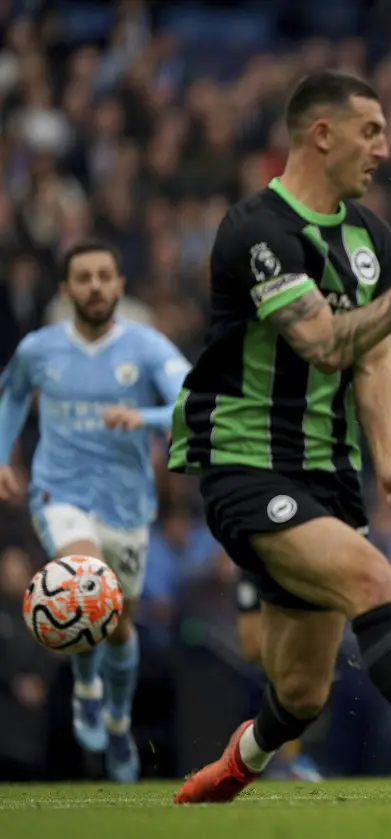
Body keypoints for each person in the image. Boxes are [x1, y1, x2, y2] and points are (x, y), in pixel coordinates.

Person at [167, 70, 391, 804]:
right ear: (321, 133)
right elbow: (326, 345)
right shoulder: (257, 230)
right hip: (247, 463)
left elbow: (374, 354)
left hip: (328, 472)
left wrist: (387, 457)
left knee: (301, 691)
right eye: (371, 130)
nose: (384, 147)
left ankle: (233, 767)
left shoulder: (368, 235)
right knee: (373, 576)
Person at [0, 239, 191, 783]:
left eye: (104, 275)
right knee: (86, 579)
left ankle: (115, 718)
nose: (95, 286)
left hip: (127, 503)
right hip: (58, 491)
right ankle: (86, 690)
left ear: (119, 284)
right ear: (66, 290)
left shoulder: (147, 346)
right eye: (83, 277)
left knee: (120, 626)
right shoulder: (39, 349)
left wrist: (146, 418)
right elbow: (11, 395)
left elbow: (191, 398)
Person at [231, 430, 391, 782]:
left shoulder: (368, 528)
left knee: (361, 679)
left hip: (353, 637)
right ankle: (282, 758)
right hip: (275, 547)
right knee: (280, 670)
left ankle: (372, 765)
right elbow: (250, 644)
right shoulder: (260, 513)